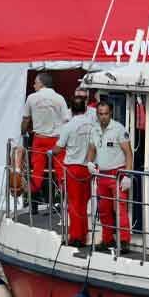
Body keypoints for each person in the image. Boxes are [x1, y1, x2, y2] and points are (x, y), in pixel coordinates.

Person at [89, 102, 133, 252]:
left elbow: (128, 153)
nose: (103, 117)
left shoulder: (119, 129)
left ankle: (125, 241)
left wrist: (127, 175)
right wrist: (89, 162)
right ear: (97, 114)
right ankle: (107, 240)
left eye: (106, 114)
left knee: (120, 208)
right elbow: (92, 148)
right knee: (103, 209)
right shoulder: (94, 130)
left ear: (111, 114)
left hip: (117, 174)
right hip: (102, 174)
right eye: (100, 114)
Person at [21, 72, 70, 203]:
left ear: (42, 83)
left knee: (37, 171)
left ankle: (32, 199)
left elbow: (26, 119)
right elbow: (66, 120)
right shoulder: (59, 98)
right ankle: (65, 196)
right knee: (60, 170)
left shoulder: (31, 98)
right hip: (57, 140)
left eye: (35, 83)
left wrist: (23, 131)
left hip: (39, 139)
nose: (33, 85)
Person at [55, 97, 96, 247]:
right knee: (84, 203)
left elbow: (59, 147)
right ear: (85, 109)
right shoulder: (92, 125)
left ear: (71, 110)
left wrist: (50, 152)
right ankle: (84, 234)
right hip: (88, 167)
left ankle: (76, 237)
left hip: (73, 167)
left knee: (74, 204)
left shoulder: (68, 126)